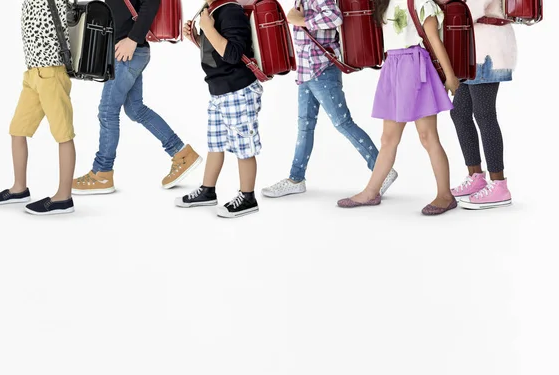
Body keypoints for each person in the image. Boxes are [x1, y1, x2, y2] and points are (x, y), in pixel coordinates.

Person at [261, 0, 397, 200]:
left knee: (343, 123)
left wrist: (301, 20)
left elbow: (334, 17)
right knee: (305, 126)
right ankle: (296, 179)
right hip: (306, 71)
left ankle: (381, 169)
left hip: (322, 70)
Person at [338, 0, 460, 215]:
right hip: (392, 66)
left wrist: (450, 76)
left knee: (427, 136)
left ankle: (445, 195)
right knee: (388, 139)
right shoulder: (384, 3)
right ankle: (371, 191)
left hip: (414, 65)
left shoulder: (422, 2)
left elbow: (433, 39)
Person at [72, 0, 201, 195]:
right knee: (135, 109)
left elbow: (151, 3)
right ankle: (182, 153)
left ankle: (102, 173)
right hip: (126, 50)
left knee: (107, 111)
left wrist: (132, 39)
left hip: (129, 50)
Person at [0, 0, 76, 215]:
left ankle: (64, 197)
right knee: (17, 129)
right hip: (33, 72)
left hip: (52, 70)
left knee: (63, 134)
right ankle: (19, 188)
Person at [177, 0, 263, 218]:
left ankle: (248, 197)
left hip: (238, 90)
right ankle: (207, 191)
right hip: (218, 91)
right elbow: (218, 52)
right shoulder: (213, 10)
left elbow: (233, 54)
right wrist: (197, 38)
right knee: (215, 143)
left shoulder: (231, 11)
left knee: (244, 147)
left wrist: (207, 28)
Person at [450, 0, 515, 210]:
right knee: (459, 112)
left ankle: (499, 185)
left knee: (484, 114)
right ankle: (476, 176)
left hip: (488, 51)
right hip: (472, 52)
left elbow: (469, 10)